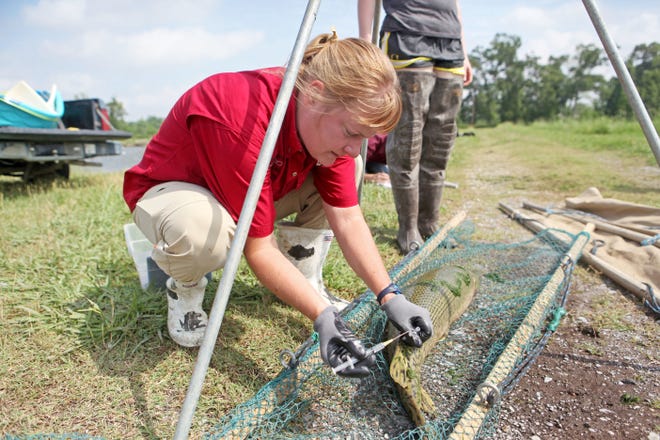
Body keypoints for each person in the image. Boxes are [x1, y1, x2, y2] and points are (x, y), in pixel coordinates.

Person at [122, 32, 433, 377]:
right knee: (203, 237)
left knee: (350, 166)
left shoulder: (330, 122)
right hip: (178, 191)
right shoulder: (240, 115)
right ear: (315, 92)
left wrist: (390, 295)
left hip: (250, 188)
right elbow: (259, 249)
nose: (353, 147)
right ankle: (186, 289)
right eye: (351, 133)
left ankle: (303, 279)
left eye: (363, 137)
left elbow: (346, 217)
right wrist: (323, 317)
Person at [358, 0, 473, 254]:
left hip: (449, 39)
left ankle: (429, 224)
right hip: (406, 31)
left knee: (441, 140)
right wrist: (366, 42)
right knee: (409, 136)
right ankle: (408, 228)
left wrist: (463, 50)